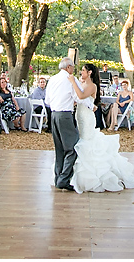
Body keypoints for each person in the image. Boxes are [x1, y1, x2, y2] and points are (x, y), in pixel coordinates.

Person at [67, 63, 134, 193]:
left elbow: (82, 96)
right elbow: (78, 99)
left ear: (90, 73)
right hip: (80, 115)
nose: (81, 72)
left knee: (87, 142)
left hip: (87, 118)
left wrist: (72, 82)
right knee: (81, 140)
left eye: (83, 70)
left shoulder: (92, 86)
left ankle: (93, 175)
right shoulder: (82, 84)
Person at [44, 57, 78, 191]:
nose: (73, 70)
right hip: (65, 115)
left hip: (54, 114)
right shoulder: (70, 80)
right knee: (72, 147)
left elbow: (47, 100)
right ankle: (63, 179)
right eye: (73, 67)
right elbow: (77, 96)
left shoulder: (52, 79)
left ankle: (58, 177)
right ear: (68, 67)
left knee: (59, 148)